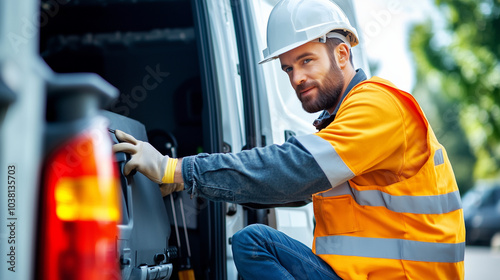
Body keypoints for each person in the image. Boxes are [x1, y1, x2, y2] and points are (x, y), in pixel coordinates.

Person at [112, 0, 465, 279]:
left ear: (342, 54)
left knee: (252, 243)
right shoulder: (341, 122)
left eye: (306, 60)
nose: (297, 77)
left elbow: (289, 169)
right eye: (288, 68)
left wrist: (176, 169)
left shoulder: (376, 106)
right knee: (253, 241)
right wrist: (189, 185)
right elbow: (291, 187)